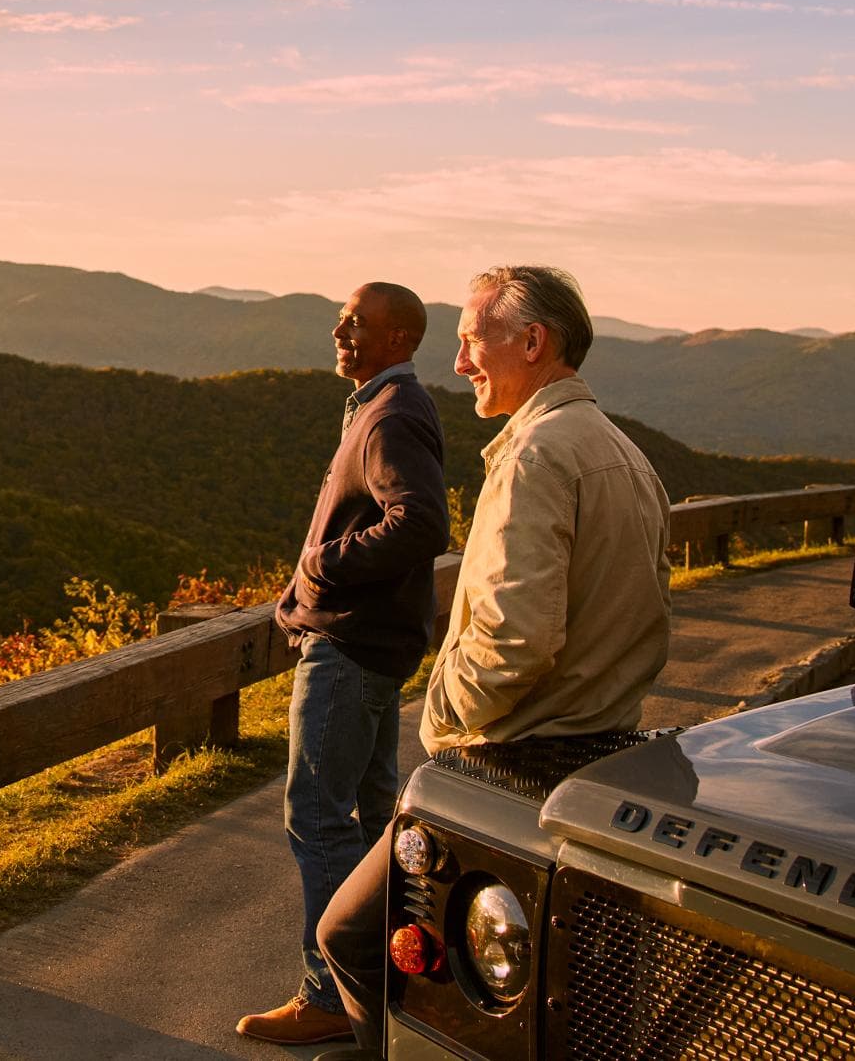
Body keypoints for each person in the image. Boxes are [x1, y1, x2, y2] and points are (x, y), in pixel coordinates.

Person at [310, 265, 672, 1060]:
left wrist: (441, 722)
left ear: (533, 341)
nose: (461, 362)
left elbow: (515, 640)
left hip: (512, 759)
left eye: (472, 341)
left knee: (353, 934)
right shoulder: (623, 454)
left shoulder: (536, 455)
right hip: (602, 753)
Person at [237, 282, 450, 1047]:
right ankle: (380, 980)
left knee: (319, 819)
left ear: (397, 338)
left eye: (355, 322)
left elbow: (421, 521)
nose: (338, 329)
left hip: (349, 650)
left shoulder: (391, 413)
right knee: (365, 820)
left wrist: (322, 566)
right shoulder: (380, 406)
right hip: (364, 646)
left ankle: (328, 994)